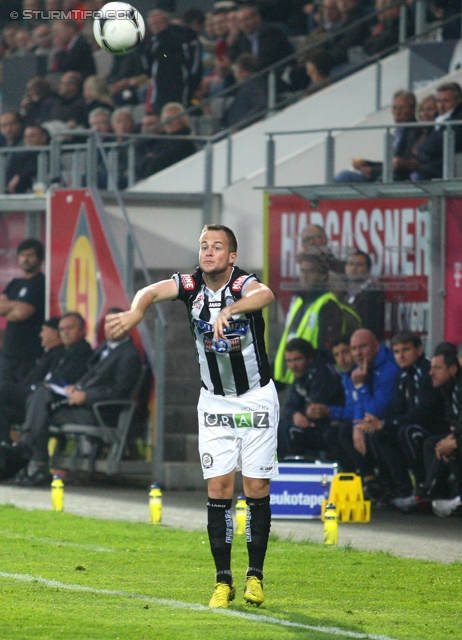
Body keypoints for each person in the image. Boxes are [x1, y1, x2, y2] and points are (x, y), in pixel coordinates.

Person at [105, 224, 278, 609]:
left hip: (256, 399)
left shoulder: (243, 285)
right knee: (218, 489)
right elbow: (150, 291)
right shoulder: (190, 285)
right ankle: (223, 581)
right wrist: (136, 311)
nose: (208, 252)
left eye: (217, 247)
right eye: (203, 245)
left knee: (255, 489)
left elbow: (266, 294)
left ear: (232, 256)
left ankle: (255, 577)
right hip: (214, 402)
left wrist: (231, 309)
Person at [0, 309, 140, 486]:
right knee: (42, 399)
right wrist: (76, 387)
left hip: (98, 412)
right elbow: (91, 377)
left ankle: (30, 456)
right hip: (77, 404)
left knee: (41, 407)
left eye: (116, 323)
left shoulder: (129, 355)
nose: (110, 328)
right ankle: (33, 461)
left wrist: (86, 396)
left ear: (128, 325)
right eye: (108, 324)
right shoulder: (106, 349)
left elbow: (120, 392)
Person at [355, 332, 446, 509]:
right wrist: (378, 422)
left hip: (434, 426)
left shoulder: (428, 372)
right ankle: (398, 488)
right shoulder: (403, 375)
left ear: (419, 350)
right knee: (378, 434)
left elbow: (423, 411)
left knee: (409, 432)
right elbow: (396, 408)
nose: (400, 356)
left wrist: (388, 423)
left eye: (406, 350)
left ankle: (423, 488)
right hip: (412, 423)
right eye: (396, 351)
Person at [308, 329, 399, 500]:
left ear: (375, 347)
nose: (343, 358)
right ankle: (361, 481)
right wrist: (356, 423)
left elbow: (375, 409)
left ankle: (378, 483)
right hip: (369, 420)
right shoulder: (354, 372)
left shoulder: (386, 368)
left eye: (346, 352)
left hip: (388, 420)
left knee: (357, 432)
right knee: (336, 433)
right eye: (337, 354)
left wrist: (358, 389)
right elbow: (356, 406)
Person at [274, 252, 360, 384]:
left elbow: (326, 353)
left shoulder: (328, 305)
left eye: (310, 272)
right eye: (302, 271)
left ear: (323, 276)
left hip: (313, 380)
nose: (305, 276)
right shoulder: (299, 302)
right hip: (289, 379)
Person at [278, 337, 345, 460]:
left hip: (331, 426)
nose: (293, 365)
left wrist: (300, 415)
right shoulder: (301, 377)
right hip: (314, 426)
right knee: (275, 429)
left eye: (298, 359)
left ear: (310, 358)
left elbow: (315, 410)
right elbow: (290, 406)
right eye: (289, 361)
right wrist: (295, 414)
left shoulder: (324, 373)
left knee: (289, 432)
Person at [335, 90, 421, 183]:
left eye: (402, 108)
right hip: (385, 178)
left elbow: (400, 167)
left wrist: (372, 171)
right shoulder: (398, 133)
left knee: (344, 176)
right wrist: (368, 164)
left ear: (412, 109)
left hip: (397, 181)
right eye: (394, 108)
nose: (397, 112)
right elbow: (390, 164)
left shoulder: (415, 131)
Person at [0, 317, 61, 442]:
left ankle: (18, 445)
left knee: (3, 387)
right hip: (29, 399)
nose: (40, 334)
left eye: (44, 330)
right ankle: (9, 448)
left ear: (55, 334)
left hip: (39, 398)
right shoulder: (47, 354)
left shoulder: (60, 354)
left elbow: (53, 381)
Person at [0, 239, 46, 384]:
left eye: (30, 255)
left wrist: (8, 308)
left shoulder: (41, 283)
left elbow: (21, 314)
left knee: (21, 397)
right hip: (8, 353)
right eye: (22, 255)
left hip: (29, 355)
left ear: (40, 259)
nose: (25, 259)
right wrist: (16, 306)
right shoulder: (15, 283)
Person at [136, 103, 196, 180]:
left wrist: (150, 159)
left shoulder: (185, 141)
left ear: (183, 120)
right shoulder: (160, 139)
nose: (168, 122)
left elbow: (157, 166)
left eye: (172, 119)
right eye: (165, 119)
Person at [415, 82, 462, 181]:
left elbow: (436, 145)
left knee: (423, 170)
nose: (441, 106)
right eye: (439, 101)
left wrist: (422, 150)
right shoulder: (439, 119)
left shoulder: (457, 119)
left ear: (458, 100)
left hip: (452, 167)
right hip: (440, 164)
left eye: (446, 101)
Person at [339, 249, 385, 341]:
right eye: (350, 264)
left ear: (369, 269)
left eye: (359, 265)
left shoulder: (373, 293)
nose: (353, 268)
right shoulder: (341, 292)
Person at [222, 53, 267, 129]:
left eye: (235, 70)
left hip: (242, 132)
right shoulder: (248, 84)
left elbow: (260, 105)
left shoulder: (253, 84)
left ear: (240, 70)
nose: (235, 73)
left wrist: (239, 126)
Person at [5, 124, 50, 194]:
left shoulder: (50, 155)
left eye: (32, 136)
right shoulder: (18, 156)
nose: (28, 139)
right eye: (26, 136)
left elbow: (37, 167)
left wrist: (20, 176)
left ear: (43, 138)